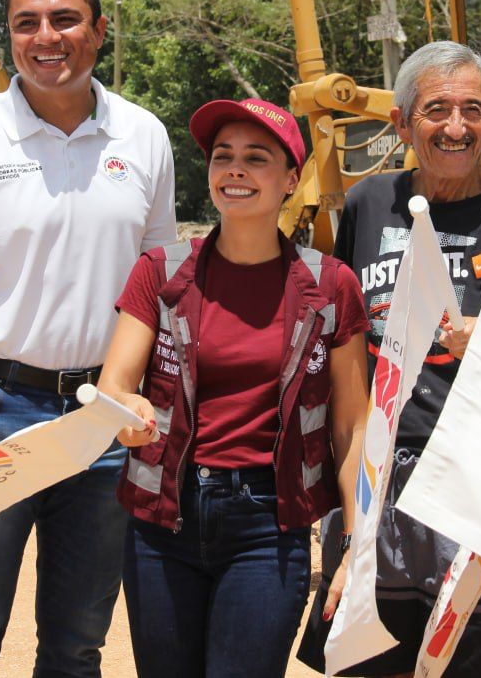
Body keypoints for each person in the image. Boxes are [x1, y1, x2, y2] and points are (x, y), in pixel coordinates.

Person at [0, 0, 177, 677]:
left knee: (77, 642)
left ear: (98, 29)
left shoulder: (144, 137)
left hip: (104, 419)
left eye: (63, 19)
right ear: (10, 36)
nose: (45, 37)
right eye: (26, 23)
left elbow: (159, 283)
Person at [297, 41, 481, 677]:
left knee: (477, 658)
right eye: (437, 109)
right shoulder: (366, 205)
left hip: (473, 489)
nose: (457, 127)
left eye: (473, 109)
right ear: (401, 122)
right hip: (377, 481)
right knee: (370, 658)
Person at [99, 97, 370, 678]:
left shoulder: (330, 286)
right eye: (223, 157)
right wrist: (126, 409)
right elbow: (116, 385)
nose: (236, 170)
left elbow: (352, 428)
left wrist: (356, 541)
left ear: (291, 178)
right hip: (164, 519)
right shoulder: (160, 272)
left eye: (257, 157)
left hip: (269, 527)